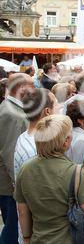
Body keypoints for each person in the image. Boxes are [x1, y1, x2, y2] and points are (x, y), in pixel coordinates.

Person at [14, 114, 84, 243]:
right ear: (65, 141)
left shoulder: (25, 169)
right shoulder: (76, 171)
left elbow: (22, 211)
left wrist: (26, 239)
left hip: (38, 239)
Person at [0, 73, 33, 243]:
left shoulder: (13, 109)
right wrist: (19, 187)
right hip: (9, 186)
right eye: (31, 86)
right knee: (12, 228)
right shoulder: (12, 113)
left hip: (10, 184)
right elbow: (10, 154)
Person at [14, 89, 59, 178]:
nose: (59, 108)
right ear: (47, 111)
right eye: (56, 104)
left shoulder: (24, 137)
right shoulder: (36, 149)